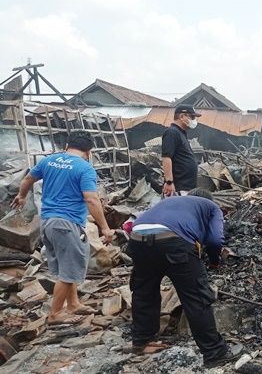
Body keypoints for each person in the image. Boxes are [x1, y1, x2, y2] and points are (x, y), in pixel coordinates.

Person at [127, 188, 240, 368]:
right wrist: (213, 262)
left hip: (137, 238)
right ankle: (215, 353)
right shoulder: (212, 207)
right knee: (196, 297)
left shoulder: (170, 201)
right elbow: (215, 240)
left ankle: (142, 342)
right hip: (173, 242)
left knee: (143, 292)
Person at [11, 131, 114, 325]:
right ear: (89, 151)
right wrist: (105, 228)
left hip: (48, 222)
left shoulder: (49, 160)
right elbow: (91, 198)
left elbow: (27, 179)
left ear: (67, 146)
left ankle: (73, 303)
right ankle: (55, 313)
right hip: (67, 224)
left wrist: (22, 196)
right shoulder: (85, 168)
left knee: (67, 266)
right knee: (70, 271)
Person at [162, 105, 202, 196]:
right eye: (192, 117)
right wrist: (169, 182)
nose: (194, 120)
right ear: (182, 116)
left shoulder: (181, 133)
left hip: (186, 188)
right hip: (178, 188)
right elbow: (166, 158)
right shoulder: (172, 132)